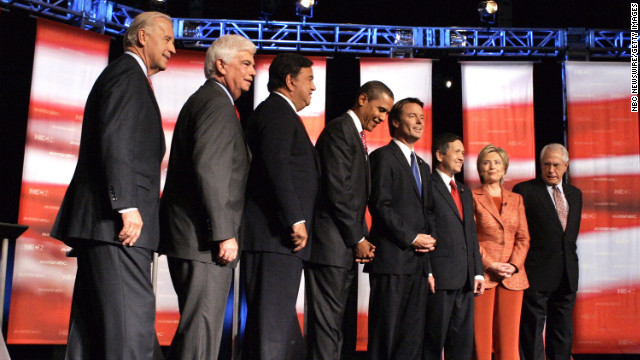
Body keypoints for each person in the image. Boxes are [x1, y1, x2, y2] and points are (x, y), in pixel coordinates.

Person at [50, 11, 175, 360]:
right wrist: (127, 206)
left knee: (93, 334)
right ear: (141, 38)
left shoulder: (127, 77)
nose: (173, 48)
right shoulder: (126, 76)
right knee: (128, 333)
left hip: (105, 229)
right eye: (166, 38)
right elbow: (115, 141)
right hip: (116, 227)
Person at [158, 34, 255, 360]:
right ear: (220, 65)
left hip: (195, 240)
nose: (253, 71)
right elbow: (209, 170)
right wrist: (224, 232)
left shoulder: (211, 100)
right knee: (200, 336)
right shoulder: (215, 103)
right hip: (202, 242)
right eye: (245, 63)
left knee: (199, 334)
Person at [305, 80, 393, 360]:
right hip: (330, 247)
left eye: (387, 112)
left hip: (339, 248)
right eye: (380, 109)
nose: (382, 117)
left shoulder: (354, 134)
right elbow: (338, 191)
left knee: (335, 326)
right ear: (363, 98)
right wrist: (358, 238)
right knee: (326, 327)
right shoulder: (340, 130)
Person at [241, 53, 321, 360]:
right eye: (309, 79)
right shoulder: (276, 112)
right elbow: (277, 166)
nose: (313, 87)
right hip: (274, 240)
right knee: (270, 335)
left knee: (273, 333)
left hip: (279, 244)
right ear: (291, 81)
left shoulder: (280, 113)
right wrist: (295, 219)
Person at [366, 98, 437, 360]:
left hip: (418, 265)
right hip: (391, 262)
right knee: (386, 334)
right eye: (412, 116)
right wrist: (412, 237)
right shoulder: (382, 157)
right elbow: (380, 206)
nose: (420, 121)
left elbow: (428, 211)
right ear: (395, 122)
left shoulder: (423, 166)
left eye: (422, 117)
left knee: (411, 338)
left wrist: (429, 243)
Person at [514, 143, 582, 360]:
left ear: (566, 166)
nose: (551, 170)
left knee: (562, 333)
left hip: (567, 275)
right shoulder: (524, 191)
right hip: (537, 274)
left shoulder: (575, 194)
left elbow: (568, 238)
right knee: (532, 333)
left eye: (556, 165)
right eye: (546, 164)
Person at [424, 133, 484, 360]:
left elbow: (471, 234)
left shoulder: (465, 191)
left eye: (463, 152)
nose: (462, 156)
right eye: (456, 151)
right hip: (439, 279)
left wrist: (477, 271)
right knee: (432, 342)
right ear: (440, 155)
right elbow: (425, 229)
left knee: (461, 346)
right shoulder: (426, 186)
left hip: (466, 280)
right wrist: (427, 270)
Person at [471, 144, 530, 360]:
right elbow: (470, 238)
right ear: (480, 169)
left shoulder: (517, 199)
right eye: (486, 162)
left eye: (497, 162)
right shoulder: (471, 197)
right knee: (481, 338)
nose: (492, 167)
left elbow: (523, 238)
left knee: (509, 340)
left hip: (512, 276)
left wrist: (513, 265)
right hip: (483, 274)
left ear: (504, 169)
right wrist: (489, 264)